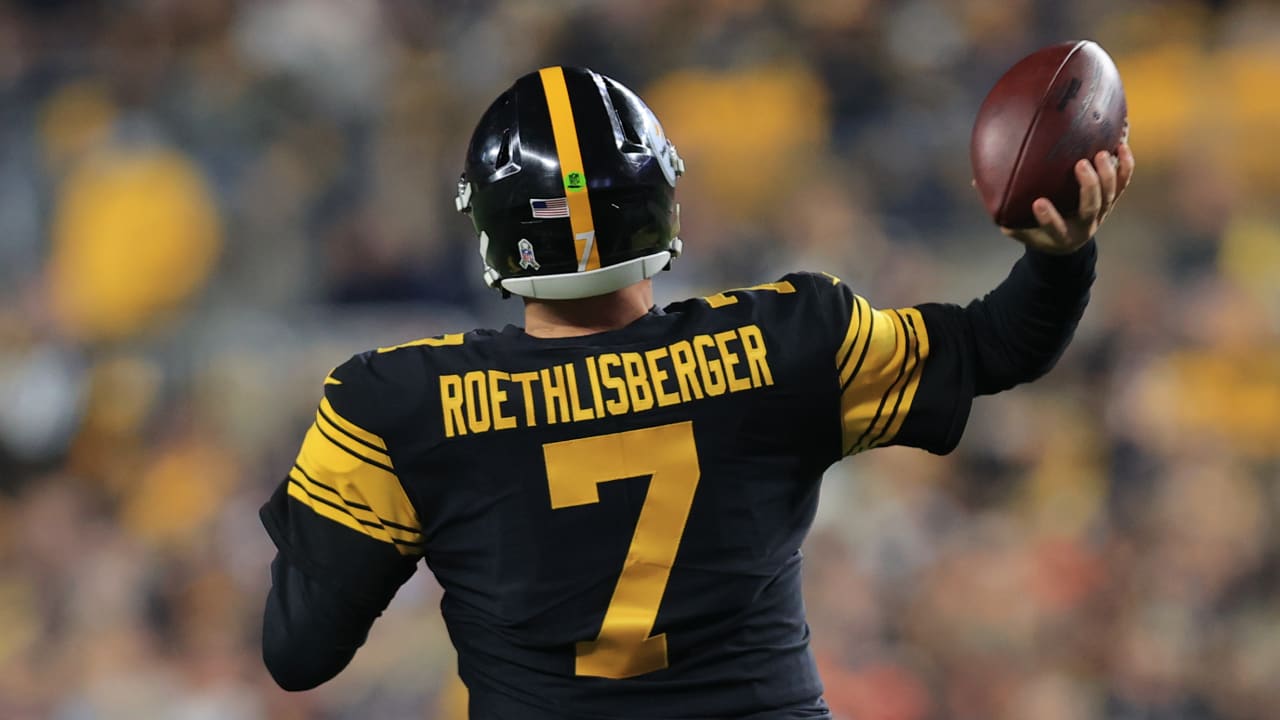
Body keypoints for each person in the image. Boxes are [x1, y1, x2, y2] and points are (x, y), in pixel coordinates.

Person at [260, 65, 1134, 718]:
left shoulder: (396, 404)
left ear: (490, 228)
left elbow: (299, 653)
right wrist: (1062, 253)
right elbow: (1000, 344)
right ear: (660, 199)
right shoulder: (787, 342)